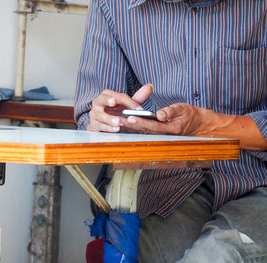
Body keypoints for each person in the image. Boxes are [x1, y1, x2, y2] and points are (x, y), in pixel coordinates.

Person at [74, 0, 267, 262]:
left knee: (218, 256)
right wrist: (106, 119)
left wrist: (205, 125)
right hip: (167, 187)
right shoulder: (112, 5)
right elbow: (89, 112)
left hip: (257, 180)